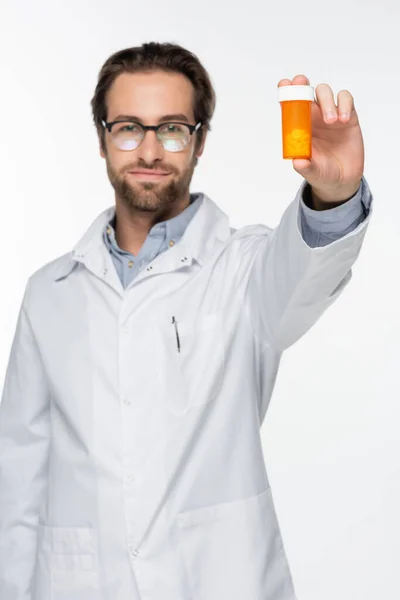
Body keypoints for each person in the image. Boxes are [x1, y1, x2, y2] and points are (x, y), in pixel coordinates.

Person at [0, 42, 372, 600]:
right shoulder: (50, 293)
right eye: (128, 127)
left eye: (172, 128)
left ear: (199, 142)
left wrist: (334, 195)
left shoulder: (243, 267)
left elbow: (299, 281)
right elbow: (18, 480)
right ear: (101, 139)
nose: (149, 149)